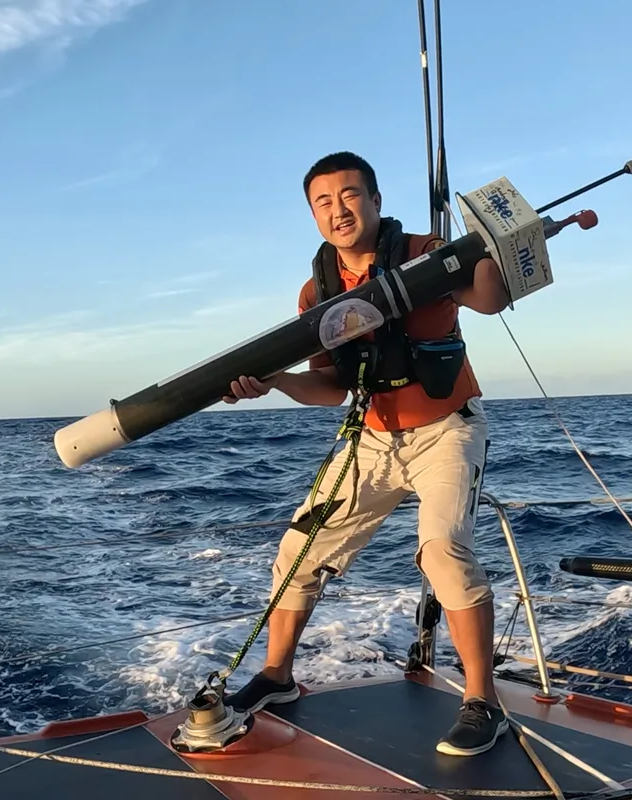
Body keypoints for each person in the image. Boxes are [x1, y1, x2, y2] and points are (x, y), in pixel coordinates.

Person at [221, 151, 511, 757]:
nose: (338, 210)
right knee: (299, 549)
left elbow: (490, 300)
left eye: (350, 195)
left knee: (443, 551)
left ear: (376, 201)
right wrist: (274, 381)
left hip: (446, 429)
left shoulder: (429, 252)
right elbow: (329, 388)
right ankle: (278, 676)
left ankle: (483, 701)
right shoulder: (316, 291)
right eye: (323, 202)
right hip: (371, 438)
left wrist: (489, 247)